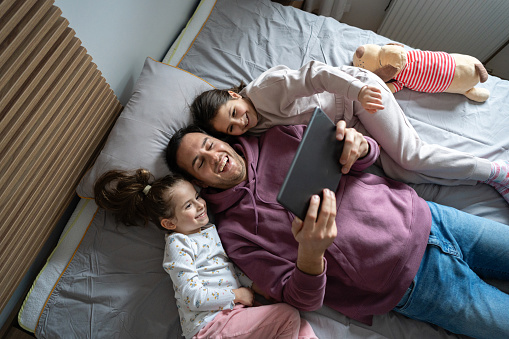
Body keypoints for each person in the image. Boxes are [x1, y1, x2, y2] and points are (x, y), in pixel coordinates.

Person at [165, 123, 509, 339]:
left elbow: (361, 157)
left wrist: (360, 146)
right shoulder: (235, 236)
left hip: (431, 218)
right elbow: (301, 299)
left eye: (209, 145)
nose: (214, 157)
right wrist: (311, 255)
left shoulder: (279, 135)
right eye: (199, 162)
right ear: (199, 181)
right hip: (412, 285)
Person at [190, 60, 509, 202]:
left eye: (235, 113)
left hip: (357, 94)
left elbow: (317, 74)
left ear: (234, 95)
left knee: (412, 157)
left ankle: (497, 172)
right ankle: (480, 176)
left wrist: (357, 90)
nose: (241, 123)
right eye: (231, 128)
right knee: (402, 173)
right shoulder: (252, 127)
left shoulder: (264, 91)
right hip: (346, 122)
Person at [93, 169, 317, 339]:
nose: (200, 205)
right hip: (209, 327)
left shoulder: (208, 231)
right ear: (169, 222)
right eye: (188, 206)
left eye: (197, 196)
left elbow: (224, 271)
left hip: (232, 314)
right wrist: (237, 295)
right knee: (287, 316)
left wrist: (251, 287)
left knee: (302, 328)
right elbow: (193, 296)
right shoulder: (178, 245)